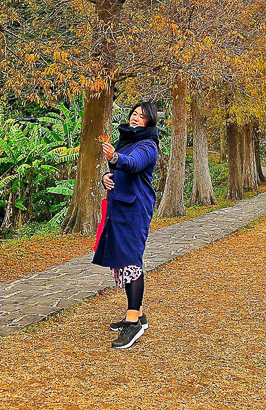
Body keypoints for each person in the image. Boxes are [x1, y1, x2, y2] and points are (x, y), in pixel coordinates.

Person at [92, 101, 159, 349]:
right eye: (133, 114)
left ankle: (134, 324)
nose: (134, 118)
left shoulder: (148, 145)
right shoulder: (128, 141)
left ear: (149, 122)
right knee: (123, 260)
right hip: (119, 207)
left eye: (141, 117)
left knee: (131, 262)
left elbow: (132, 164)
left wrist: (115, 157)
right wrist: (107, 177)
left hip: (135, 211)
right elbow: (120, 171)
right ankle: (138, 313)